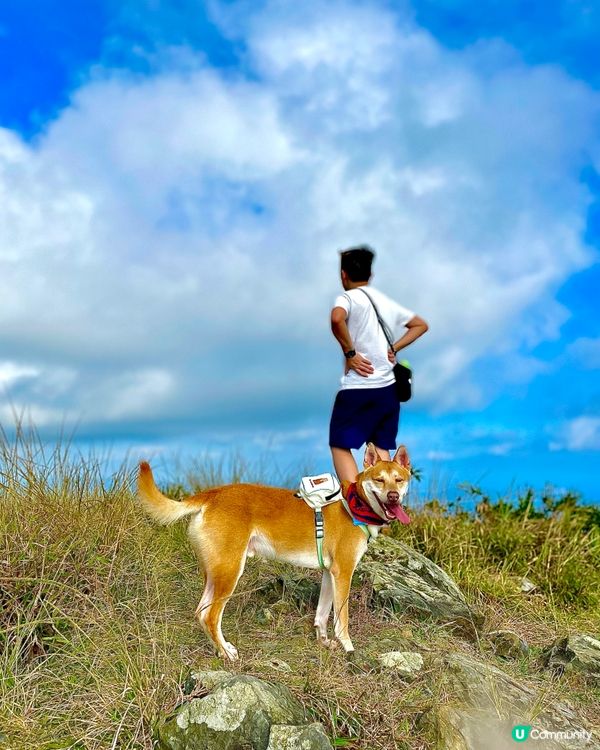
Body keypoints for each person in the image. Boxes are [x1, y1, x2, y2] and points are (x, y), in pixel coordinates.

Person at [329, 245, 428, 483]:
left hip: (358, 388)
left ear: (343, 274)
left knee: (339, 444)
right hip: (388, 391)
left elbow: (336, 318)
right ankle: (383, 509)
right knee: (381, 446)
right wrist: (395, 347)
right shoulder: (384, 301)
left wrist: (350, 352)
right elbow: (420, 325)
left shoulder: (347, 297)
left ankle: (357, 503)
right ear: (370, 275)